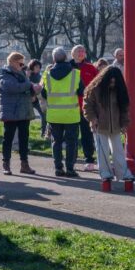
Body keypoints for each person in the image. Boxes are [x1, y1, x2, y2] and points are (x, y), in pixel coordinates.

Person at [84, 66, 134, 182]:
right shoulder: (94, 89)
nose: (113, 84)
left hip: (116, 126)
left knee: (119, 151)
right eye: (110, 81)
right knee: (102, 151)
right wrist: (92, 118)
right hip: (99, 126)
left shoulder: (120, 90)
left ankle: (123, 173)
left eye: (115, 82)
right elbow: (87, 106)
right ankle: (105, 173)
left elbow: (124, 109)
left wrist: (124, 123)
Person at [43, 47, 83, 178]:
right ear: (66, 58)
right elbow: (82, 91)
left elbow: (43, 93)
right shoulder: (75, 74)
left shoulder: (47, 74)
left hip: (54, 115)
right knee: (71, 142)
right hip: (71, 115)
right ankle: (70, 169)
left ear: (53, 59)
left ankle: (58, 168)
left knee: (56, 142)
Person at [0, 52, 39, 176]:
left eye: (23, 64)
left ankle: (24, 164)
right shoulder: (4, 73)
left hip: (23, 110)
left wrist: (34, 91)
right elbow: (12, 87)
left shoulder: (22, 74)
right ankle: (6, 164)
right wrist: (29, 85)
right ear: (12, 62)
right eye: (20, 64)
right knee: (8, 138)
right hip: (11, 111)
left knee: (24, 139)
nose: (22, 66)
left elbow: (24, 89)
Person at [71, 45, 99, 171]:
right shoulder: (67, 67)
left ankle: (89, 159)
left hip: (86, 107)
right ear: (72, 54)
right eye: (78, 51)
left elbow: (97, 84)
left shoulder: (90, 68)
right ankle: (71, 159)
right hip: (70, 106)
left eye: (83, 51)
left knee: (87, 134)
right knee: (71, 135)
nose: (81, 53)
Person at [28, 59, 48, 138]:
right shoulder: (28, 75)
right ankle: (24, 134)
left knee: (44, 115)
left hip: (38, 100)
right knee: (25, 118)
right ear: (32, 67)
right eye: (36, 67)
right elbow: (27, 86)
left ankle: (44, 133)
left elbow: (41, 87)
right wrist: (32, 95)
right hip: (28, 100)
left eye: (39, 67)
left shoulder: (40, 76)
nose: (38, 68)